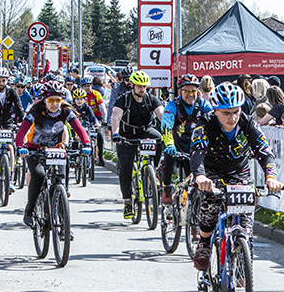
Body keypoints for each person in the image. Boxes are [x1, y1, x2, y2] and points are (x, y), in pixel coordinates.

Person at [190, 83, 284, 271]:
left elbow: (264, 151)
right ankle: (204, 242)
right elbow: (197, 153)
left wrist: (270, 177)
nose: (232, 118)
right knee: (211, 202)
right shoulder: (205, 125)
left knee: (245, 226)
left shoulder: (248, 123)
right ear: (216, 111)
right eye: (226, 113)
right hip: (212, 172)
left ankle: (242, 270)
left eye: (236, 112)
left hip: (239, 172)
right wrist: (200, 176)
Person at [14, 83, 91, 226]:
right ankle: (29, 210)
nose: (54, 104)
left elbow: (79, 129)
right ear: (44, 100)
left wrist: (86, 143)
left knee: (60, 180)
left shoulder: (66, 111)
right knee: (38, 175)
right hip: (35, 149)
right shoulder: (34, 112)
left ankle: (64, 220)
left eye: (58, 100)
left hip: (56, 149)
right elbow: (21, 133)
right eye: (51, 101)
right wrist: (20, 147)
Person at [110, 70, 164, 219]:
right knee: (125, 167)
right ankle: (127, 201)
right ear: (133, 85)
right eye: (139, 86)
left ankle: (155, 168)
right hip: (126, 134)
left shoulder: (151, 99)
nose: (142, 89)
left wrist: (168, 130)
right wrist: (115, 134)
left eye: (144, 86)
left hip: (145, 131)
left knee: (160, 139)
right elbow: (116, 117)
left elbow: (161, 114)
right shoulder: (123, 99)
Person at [160, 73, 212, 204]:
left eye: (193, 91)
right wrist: (169, 144)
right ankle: (166, 188)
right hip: (177, 144)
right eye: (186, 91)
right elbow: (166, 126)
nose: (190, 94)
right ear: (180, 91)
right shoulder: (173, 105)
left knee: (195, 177)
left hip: (196, 145)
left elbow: (213, 124)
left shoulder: (203, 105)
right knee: (168, 155)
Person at [81, 77, 107, 165]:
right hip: (85, 117)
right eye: (85, 86)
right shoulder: (80, 95)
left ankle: (100, 157)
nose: (87, 88)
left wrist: (104, 119)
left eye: (88, 86)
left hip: (97, 116)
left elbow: (102, 107)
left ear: (91, 85)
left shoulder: (96, 94)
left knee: (99, 135)